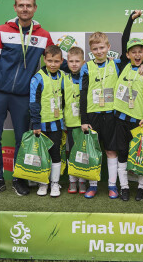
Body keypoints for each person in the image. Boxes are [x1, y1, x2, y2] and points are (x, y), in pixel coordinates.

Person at [0, 0, 54, 196]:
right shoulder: (2, 30)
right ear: (15, 8)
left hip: (24, 95)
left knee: (22, 139)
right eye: (21, 5)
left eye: (28, 5)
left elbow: (55, 61)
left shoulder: (42, 35)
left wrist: (81, 68)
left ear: (34, 8)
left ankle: (18, 178)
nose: (24, 9)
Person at [79, 10, 143, 199]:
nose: (99, 51)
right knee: (93, 151)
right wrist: (84, 119)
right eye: (95, 49)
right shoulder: (86, 67)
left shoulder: (117, 64)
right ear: (91, 51)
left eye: (102, 48)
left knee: (110, 150)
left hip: (111, 115)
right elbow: (83, 95)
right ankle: (92, 185)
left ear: (108, 47)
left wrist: (130, 20)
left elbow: (126, 43)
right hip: (92, 116)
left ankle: (112, 185)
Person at [113, 37, 143, 201]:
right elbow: (124, 37)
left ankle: (142, 188)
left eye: (140, 52)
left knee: (140, 155)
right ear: (127, 54)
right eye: (133, 52)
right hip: (120, 119)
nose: (137, 55)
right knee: (122, 152)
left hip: (138, 122)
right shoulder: (121, 65)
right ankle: (124, 187)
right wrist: (131, 19)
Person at [29, 45, 65, 197]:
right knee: (42, 156)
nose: (52, 64)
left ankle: (55, 183)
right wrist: (36, 124)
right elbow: (33, 103)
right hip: (41, 125)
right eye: (49, 60)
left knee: (55, 153)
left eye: (56, 61)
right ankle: (43, 183)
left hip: (57, 124)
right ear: (44, 59)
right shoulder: (38, 78)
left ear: (62, 61)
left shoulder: (63, 75)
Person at [63, 46, 87, 194]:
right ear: (67, 62)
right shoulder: (63, 78)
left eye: (77, 61)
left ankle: (83, 181)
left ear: (83, 62)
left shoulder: (87, 77)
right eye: (71, 61)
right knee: (72, 153)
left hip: (85, 123)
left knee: (84, 154)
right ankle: (72, 181)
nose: (74, 64)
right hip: (70, 123)